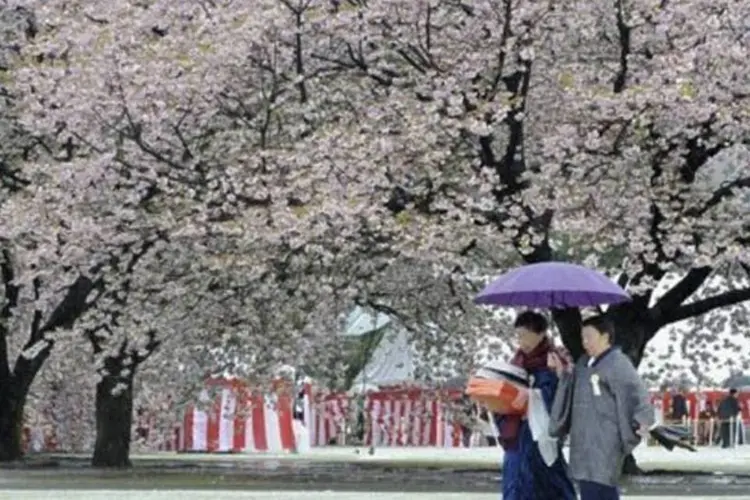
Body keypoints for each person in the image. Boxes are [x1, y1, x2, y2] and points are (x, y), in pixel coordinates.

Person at [549, 315, 655, 500]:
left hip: (606, 440)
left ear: (605, 336)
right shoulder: (583, 363)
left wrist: (642, 420)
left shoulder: (618, 363)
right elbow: (571, 388)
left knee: (602, 486)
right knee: (588, 487)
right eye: (583, 338)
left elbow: (637, 394)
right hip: (583, 439)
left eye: (589, 337)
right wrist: (563, 373)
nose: (584, 343)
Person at [495, 311, 576, 500]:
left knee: (547, 486)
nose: (521, 341)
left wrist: (554, 379)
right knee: (515, 483)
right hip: (516, 435)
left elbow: (561, 400)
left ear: (540, 333)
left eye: (524, 334)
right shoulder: (516, 362)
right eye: (518, 335)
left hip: (540, 437)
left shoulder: (556, 361)